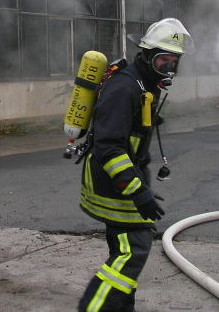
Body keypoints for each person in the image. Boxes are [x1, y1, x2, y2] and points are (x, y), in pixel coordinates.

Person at [78, 18, 194, 312]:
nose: (169, 67)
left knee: (125, 249)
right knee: (133, 250)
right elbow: (109, 147)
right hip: (112, 182)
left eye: (174, 61)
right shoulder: (124, 87)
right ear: (146, 55)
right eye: (163, 59)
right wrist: (136, 190)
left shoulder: (144, 83)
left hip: (125, 177)